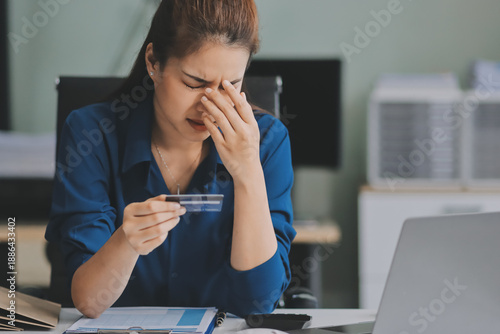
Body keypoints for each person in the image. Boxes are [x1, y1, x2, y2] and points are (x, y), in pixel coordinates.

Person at [45, 0, 296, 319]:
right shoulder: (91, 135)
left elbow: (259, 305)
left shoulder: (267, 142)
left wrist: (247, 172)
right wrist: (126, 242)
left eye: (231, 85)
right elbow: (90, 302)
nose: (211, 105)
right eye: (194, 83)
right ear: (154, 62)